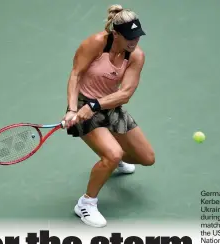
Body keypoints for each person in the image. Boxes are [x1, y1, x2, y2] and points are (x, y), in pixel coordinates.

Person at [62, 4, 155, 228]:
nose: (134, 41)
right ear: (116, 34)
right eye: (129, 37)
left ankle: (115, 158)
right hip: (84, 105)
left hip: (108, 106)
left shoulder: (136, 56)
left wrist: (95, 105)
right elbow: (76, 74)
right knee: (112, 155)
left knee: (146, 158)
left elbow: (125, 94)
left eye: (137, 36)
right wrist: (73, 109)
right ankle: (86, 203)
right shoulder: (96, 43)